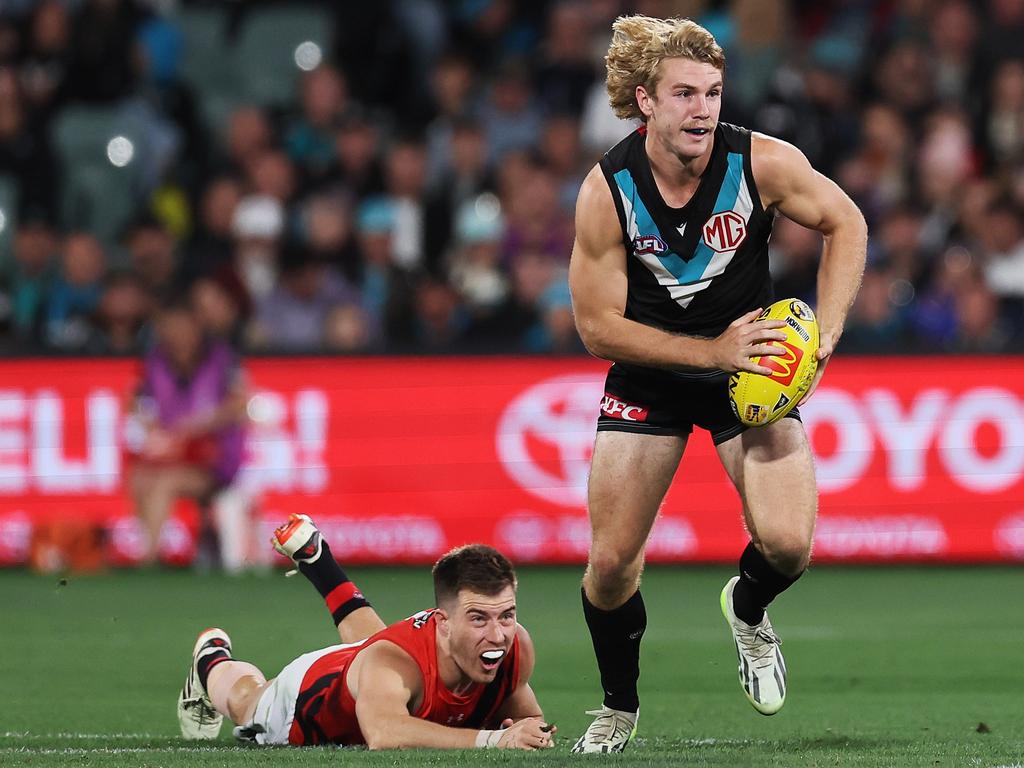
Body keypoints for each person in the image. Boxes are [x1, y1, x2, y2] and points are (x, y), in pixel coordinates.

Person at [568, 16, 867, 753]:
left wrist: (823, 339)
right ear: (645, 101)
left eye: (713, 93)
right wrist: (710, 351)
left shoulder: (761, 161)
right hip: (653, 374)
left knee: (790, 545)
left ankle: (749, 609)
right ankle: (618, 709)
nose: (703, 109)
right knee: (609, 567)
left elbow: (847, 221)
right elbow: (597, 327)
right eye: (684, 94)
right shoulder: (607, 190)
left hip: (751, 375)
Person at [177, 514, 556, 751]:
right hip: (306, 698)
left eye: (506, 616)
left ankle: (319, 562)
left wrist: (528, 731)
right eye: (479, 619)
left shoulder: (515, 645)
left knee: (382, 651)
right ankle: (210, 659)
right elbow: (385, 733)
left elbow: (527, 718)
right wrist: (491, 739)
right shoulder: (394, 662)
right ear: (443, 620)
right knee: (245, 701)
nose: (498, 635)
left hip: (373, 666)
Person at [125, 299, 249, 569]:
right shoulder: (156, 361)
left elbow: (240, 405)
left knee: (165, 482)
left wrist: (194, 427)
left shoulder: (221, 358)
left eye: (183, 326)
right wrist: (154, 432)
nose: (177, 334)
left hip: (214, 460)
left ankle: (148, 560)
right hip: (173, 455)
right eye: (170, 327)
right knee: (139, 478)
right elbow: (139, 404)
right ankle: (150, 549)